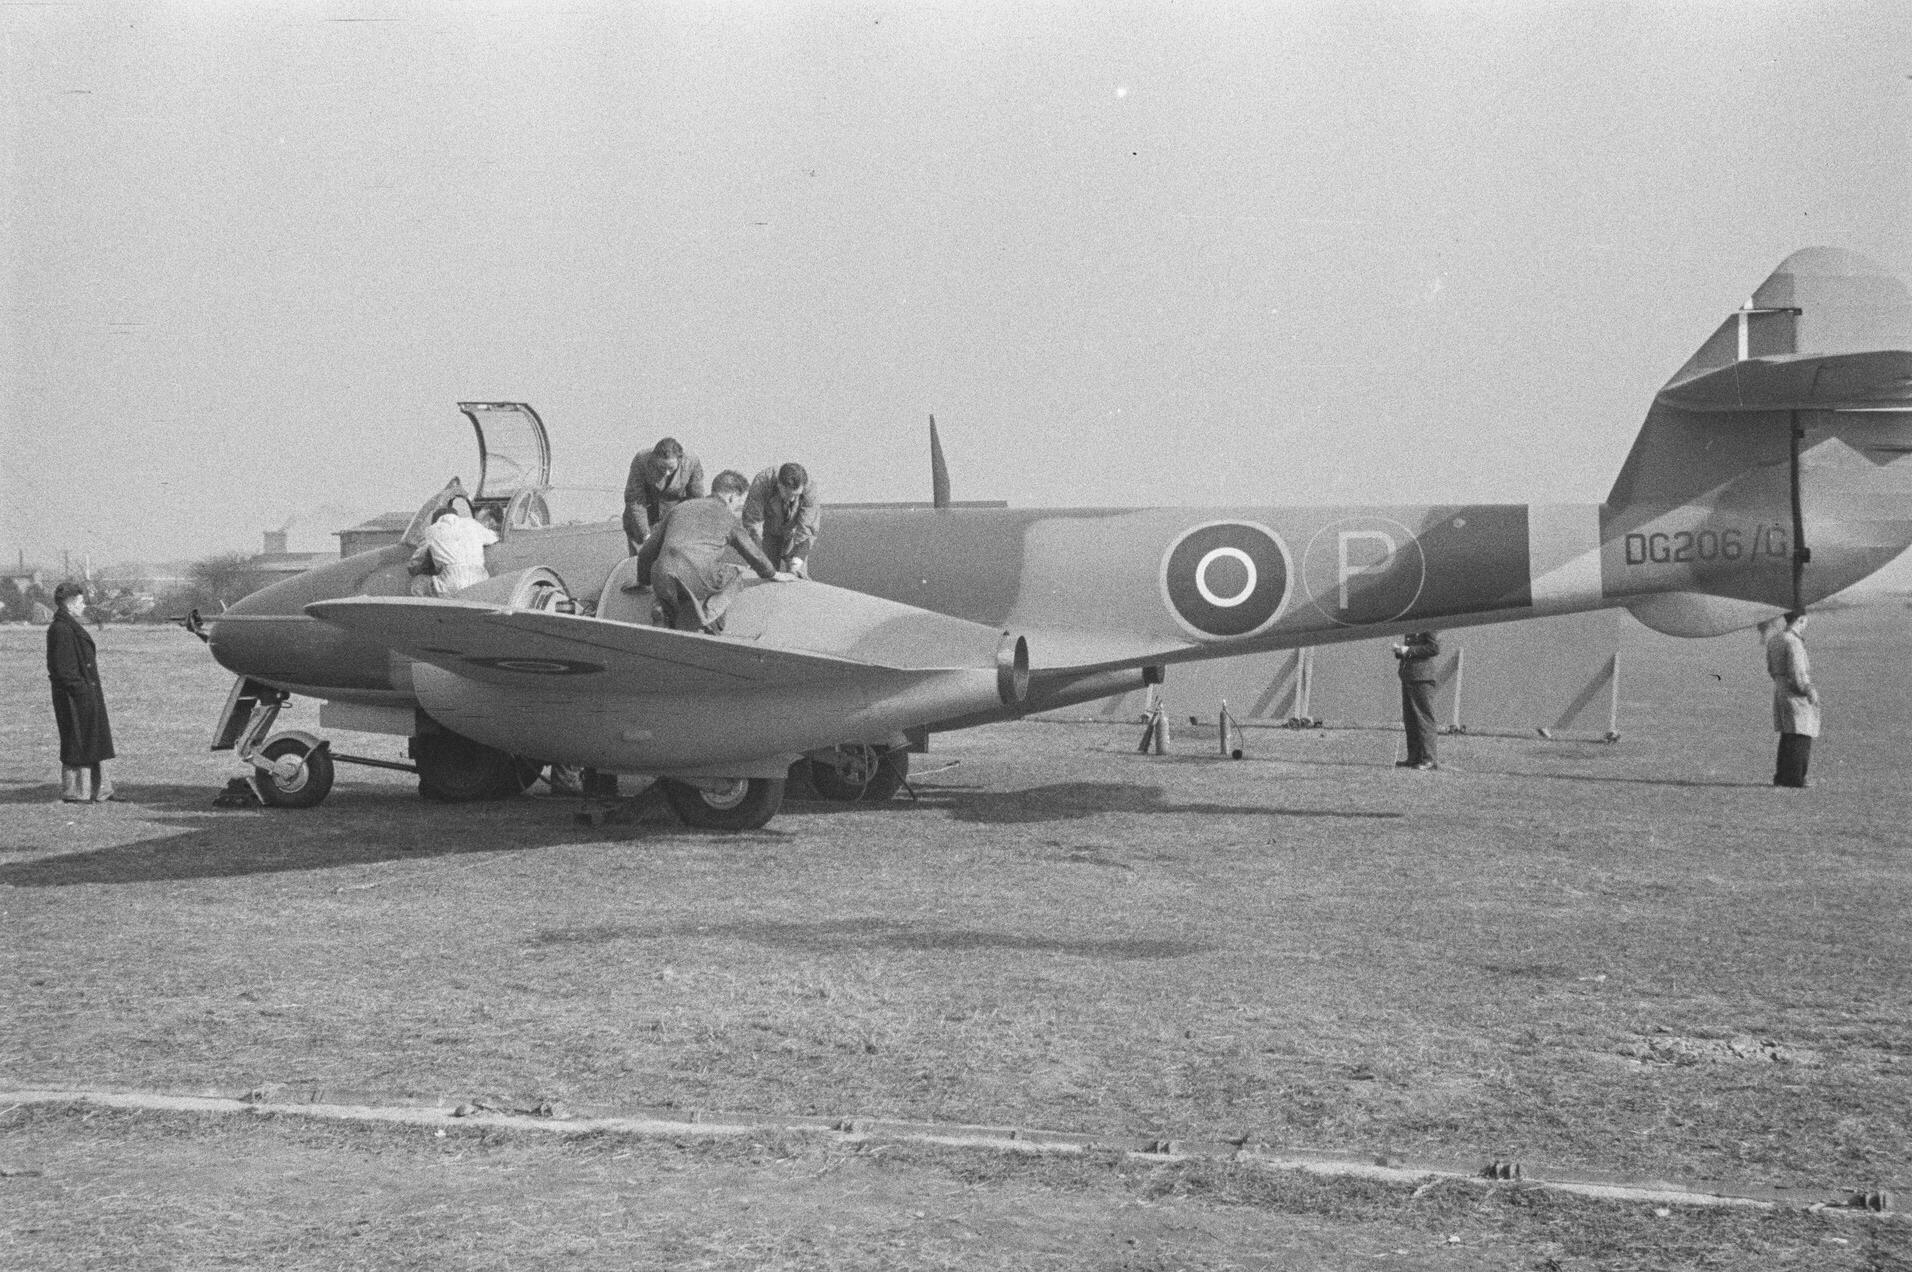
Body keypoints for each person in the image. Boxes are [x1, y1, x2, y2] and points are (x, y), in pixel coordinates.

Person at [635, 469, 798, 633]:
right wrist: (773, 573)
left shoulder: (680, 508)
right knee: (735, 575)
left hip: (661, 574)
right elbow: (752, 553)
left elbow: (646, 551)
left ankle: (663, 612)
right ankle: (708, 618)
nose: (736, 508)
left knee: (667, 578)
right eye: (737, 504)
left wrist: (643, 580)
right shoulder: (728, 517)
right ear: (732, 497)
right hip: (696, 576)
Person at [46, 581, 116, 803]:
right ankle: (77, 792)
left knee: (92, 740)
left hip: (84, 695)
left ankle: (99, 791)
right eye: (81, 601)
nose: (84, 605)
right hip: (73, 698)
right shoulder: (60, 629)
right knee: (77, 742)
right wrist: (82, 690)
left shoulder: (67, 625)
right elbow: (62, 669)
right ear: (71, 603)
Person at [623, 437, 706, 554]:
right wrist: (646, 535)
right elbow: (635, 500)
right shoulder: (641, 460)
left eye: (671, 468)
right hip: (642, 518)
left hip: (674, 517)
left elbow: (696, 500)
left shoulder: (692, 461)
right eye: (662, 467)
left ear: (680, 459)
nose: (666, 473)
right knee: (643, 561)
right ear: (654, 459)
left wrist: (691, 530)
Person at [1766, 610, 1821, 788]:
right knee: (1802, 734)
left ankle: (1782, 776)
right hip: (1793, 692)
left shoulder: (1775, 639)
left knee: (1788, 734)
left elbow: (1771, 667)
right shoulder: (1794, 642)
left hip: (1780, 688)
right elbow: (1797, 673)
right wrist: (1808, 690)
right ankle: (1796, 778)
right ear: (1801, 619)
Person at [408, 494, 498, 596]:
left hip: (452, 578)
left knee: (417, 584)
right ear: (456, 516)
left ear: (436, 520)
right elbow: (494, 537)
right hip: (480, 578)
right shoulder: (472, 524)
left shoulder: (431, 530)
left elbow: (414, 564)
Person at [743, 461, 820, 576]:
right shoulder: (762, 483)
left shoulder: (810, 488)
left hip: (794, 536)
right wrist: (757, 556)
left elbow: (808, 528)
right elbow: (753, 523)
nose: (793, 499)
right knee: (765, 574)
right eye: (789, 494)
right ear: (780, 485)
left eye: (797, 495)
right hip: (767, 533)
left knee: (799, 576)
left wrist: (798, 560)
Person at [1391, 630, 1441, 771]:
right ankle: (1414, 757)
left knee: (1424, 718)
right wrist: (1401, 651)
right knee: (1410, 719)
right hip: (1409, 675)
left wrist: (1409, 650)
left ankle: (1429, 759)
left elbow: (1434, 648)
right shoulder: (1413, 624)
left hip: (1422, 677)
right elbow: (1411, 650)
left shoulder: (1428, 621)